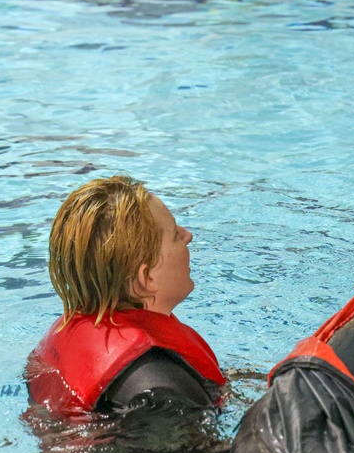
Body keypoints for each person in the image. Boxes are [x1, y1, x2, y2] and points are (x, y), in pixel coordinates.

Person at [26, 175, 225, 417]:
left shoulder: (75, 332)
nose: (188, 236)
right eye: (174, 234)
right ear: (146, 278)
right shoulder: (159, 392)